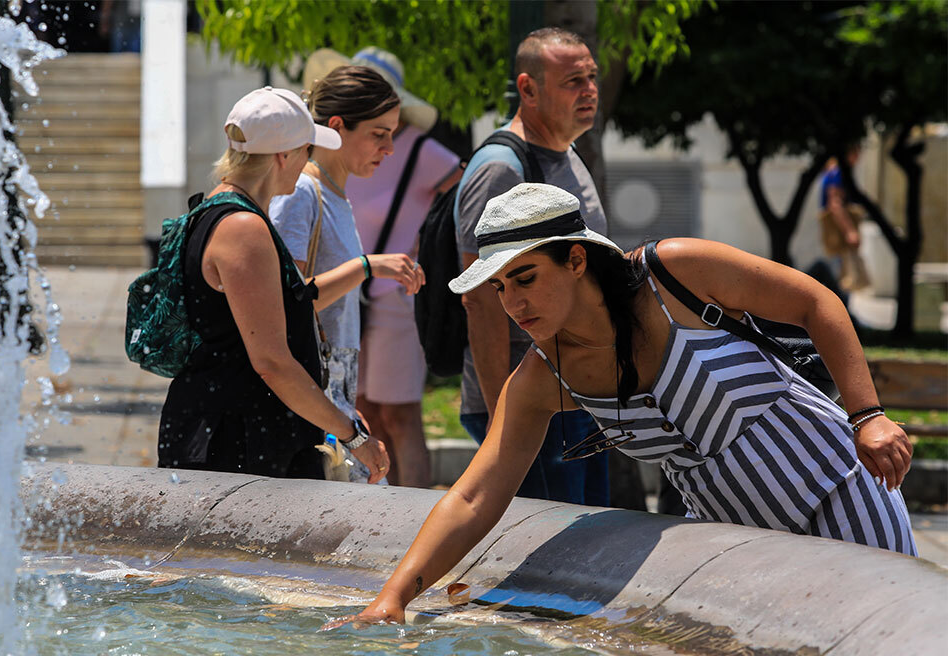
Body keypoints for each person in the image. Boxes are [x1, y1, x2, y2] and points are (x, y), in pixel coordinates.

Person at [331, 182, 916, 625]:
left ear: (577, 259)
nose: (513, 303)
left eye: (526, 277)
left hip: (838, 489)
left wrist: (867, 415)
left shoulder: (673, 273)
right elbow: (473, 496)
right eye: (500, 286)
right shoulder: (541, 377)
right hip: (733, 536)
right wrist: (393, 598)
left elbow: (816, 302)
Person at [157, 87, 395, 483]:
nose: (309, 162)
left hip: (235, 435)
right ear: (283, 156)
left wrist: (332, 408)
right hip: (237, 446)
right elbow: (272, 362)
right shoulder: (242, 228)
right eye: (306, 151)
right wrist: (353, 437)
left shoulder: (223, 212)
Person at [455, 27, 609, 504]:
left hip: (579, 395)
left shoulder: (569, 150)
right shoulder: (502, 167)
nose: (589, 91)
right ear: (528, 89)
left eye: (591, 77)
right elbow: (480, 299)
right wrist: (507, 410)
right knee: (549, 562)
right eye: (572, 81)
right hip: (532, 404)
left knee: (591, 554)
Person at [305, 47, 461, 488]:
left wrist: (423, 249)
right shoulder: (319, 182)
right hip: (351, 302)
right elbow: (293, 295)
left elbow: (463, 199)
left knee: (398, 412)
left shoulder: (414, 150)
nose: (388, 147)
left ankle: (412, 522)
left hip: (391, 298)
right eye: (378, 133)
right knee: (367, 413)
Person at [269, 65, 426, 470]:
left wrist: (346, 409)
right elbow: (287, 306)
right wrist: (367, 266)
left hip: (331, 406)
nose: (389, 147)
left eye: (393, 133)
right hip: (305, 410)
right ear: (337, 126)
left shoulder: (333, 194)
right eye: (379, 133)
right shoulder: (303, 192)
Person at [818, 146, 871, 295]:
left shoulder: (831, 170)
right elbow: (835, 204)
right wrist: (850, 231)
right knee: (842, 283)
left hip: (835, 233)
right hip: (839, 234)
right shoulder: (838, 172)